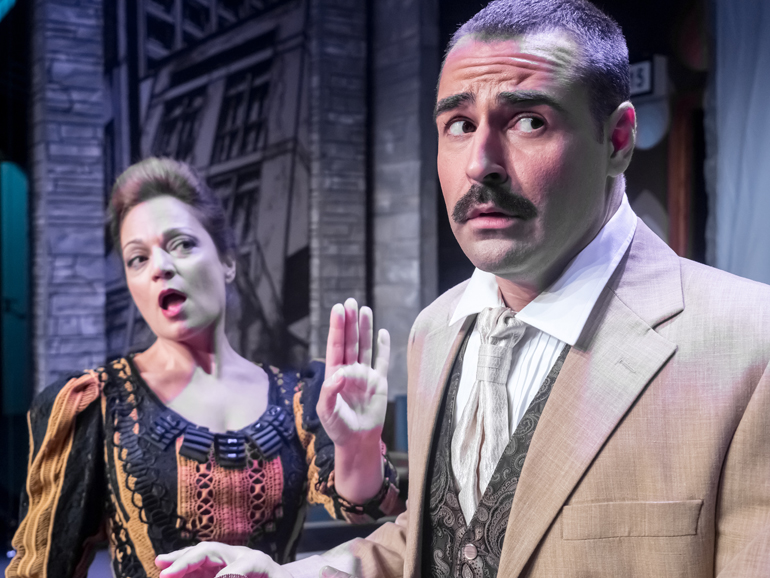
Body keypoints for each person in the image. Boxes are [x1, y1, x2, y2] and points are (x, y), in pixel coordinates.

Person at [155, 0, 770, 576]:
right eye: (458, 123)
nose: (480, 163)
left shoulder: (750, 346)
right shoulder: (436, 329)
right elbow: (429, 544)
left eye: (528, 121)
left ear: (617, 140)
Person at [6, 158, 402, 578]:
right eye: (137, 258)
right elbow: (42, 567)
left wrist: (358, 446)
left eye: (181, 244)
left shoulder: (299, 396)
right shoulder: (96, 404)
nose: (159, 267)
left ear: (227, 261)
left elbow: (362, 507)